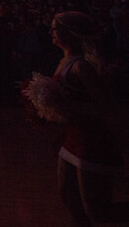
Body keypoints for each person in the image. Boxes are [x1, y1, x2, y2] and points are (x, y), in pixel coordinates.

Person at [48, 11, 129, 226]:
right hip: (73, 137)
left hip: (92, 142)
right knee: (69, 197)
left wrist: (68, 106)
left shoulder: (81, 67)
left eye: (55, 28)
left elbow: (109, 108)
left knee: (98, 212)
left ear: (70, 33)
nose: (51, 32)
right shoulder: (64, 61)